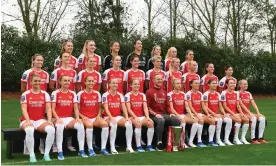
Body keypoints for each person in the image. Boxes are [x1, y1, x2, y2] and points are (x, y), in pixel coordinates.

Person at [20, 74, 55, 162]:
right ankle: (32, 155)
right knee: (29, 130)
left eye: (39, 81)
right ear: (30, 82)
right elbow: (24, 109)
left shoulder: (45, 94)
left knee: (51, 129)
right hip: (27, 120)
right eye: (35, 81)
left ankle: (46, 154)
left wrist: (50, 120)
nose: (37, 82)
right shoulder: (25, 94)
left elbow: (48, 108)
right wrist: (28, 121)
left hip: (40, 120)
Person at [51, 75, 88, 160]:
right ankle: (60, 152)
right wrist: (57, 118)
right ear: (60, 82)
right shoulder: (55, 93)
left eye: (68, 81)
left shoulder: (72, 93)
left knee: (80, 125)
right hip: (58, 118)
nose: (67, 82)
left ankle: (81, 150)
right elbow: (52, 108)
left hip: (68, 118)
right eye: (65, 80)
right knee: (60, 127)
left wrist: (78, 117)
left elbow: (75, 107)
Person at [21, 54, 50, 155]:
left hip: (42, 101)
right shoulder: (27, 73)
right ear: (33, 61)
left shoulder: (46, 74)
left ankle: (42, 147)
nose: (40, 62)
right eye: (38, 60)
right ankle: (27, 147)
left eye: (41, 61)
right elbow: (23, 88)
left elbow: (45, 88)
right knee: (28, 123)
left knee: (44, 122)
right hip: (30, 101)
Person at [77, 76, 110, 156]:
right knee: (89, 125)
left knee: (105, 124)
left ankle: (103, 148)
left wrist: (99, 115)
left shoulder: (97, 93)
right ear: (85, 82)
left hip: (95, 117)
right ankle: (90, 149)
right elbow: (76, 109)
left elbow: (100, 107)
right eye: (89, 81)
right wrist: (82, 116)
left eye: (92, 81)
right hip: (85, 117)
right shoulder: (80, 94)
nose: (91, 83)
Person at [146, 74, 180, 151]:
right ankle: (159, 143)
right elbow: (147, 107)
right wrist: (155, 114)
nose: (160, 81)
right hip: (153, 115)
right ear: (153, 80)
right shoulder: (149, 92)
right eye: (158, 79)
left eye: (161, 79)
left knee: (176, 119)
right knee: (161, 120)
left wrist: (170, 112)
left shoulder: (164, 92)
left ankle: (175, 143)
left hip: (163, 114)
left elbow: (167, 106)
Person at [102, 78, 134, 154]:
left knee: (129, 123)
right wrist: (111, 118)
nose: (115, 85)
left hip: (118, 116)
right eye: (113, 83)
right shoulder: (105, 95)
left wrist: (126, 117)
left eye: (116, 83)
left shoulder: (120, 95)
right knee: (114, 124)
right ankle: (112, 147)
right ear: (109, 84)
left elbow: (123, 107)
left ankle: (129, 147)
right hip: (107, 117)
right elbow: (106, 109)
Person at [125, 79, 156, 152]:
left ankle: (149, 145)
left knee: (151, 123)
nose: (137, 86)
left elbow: (145, 107)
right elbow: (128, 109)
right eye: (135, 84)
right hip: (132, 117)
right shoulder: (128, 95)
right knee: (138, 124)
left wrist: (147, 117)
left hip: (142, 116)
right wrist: (135, 117)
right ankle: (138, 146)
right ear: (131, 85)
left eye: (138, 84)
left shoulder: (142, 95)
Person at [167, 78, 198, 150]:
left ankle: (190, 142)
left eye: (180, 83)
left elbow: (187, 106)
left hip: (183, 114)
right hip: (176, 114)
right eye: (177, 83)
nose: (179, 85)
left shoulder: (183, 94)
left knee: (196, 120)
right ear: (173, 85)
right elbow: (171, 108)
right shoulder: (170, 94)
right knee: (182, 120)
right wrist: (178, 116)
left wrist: (190, 115)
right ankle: (182, 142)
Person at [186, 79, 216, 147]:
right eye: (195, 83)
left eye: (198, 83)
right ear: (191, 85)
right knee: (201, 120)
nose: (197, 85)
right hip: (191, 113)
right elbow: (190, 106)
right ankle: (198, 141)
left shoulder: (200, 93)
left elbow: (203, 106)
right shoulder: (188, 94)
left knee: (212, 120)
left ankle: (211, 141)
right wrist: (197, 115)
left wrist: (208, 114)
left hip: (199, 113)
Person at [202, 79, 232, 146]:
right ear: (209, 85)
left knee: (229, 120)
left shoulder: (218, 94)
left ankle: (225, 139)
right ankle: (214, 140)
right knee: (219, 120)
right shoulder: (206, 94)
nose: (215, 85)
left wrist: (224, 114)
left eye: (215, 83)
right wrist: (214, 114)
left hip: (216, 114)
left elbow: (221, 106)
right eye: (213, 83)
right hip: (209, 114)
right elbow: (206, 107)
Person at [237, 80, 268, 144]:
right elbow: (241, 105)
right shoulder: (237, 93)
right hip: (240, 113)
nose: (246, 85)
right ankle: (253, 138)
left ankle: (260, 138)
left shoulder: (248, 93)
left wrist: (258, 113)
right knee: (253, 118)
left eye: (247, 84)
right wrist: (250, 113)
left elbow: (253, 103)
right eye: (244, 84)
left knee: (262, 118)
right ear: (240, 85)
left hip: (248, 112)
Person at [221, 79, 250, 145]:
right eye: (231, 83)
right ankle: (231, 139)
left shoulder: (236, 93)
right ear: (227, 85)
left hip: (235, 113)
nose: (233, 84)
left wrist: (242, 113)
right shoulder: (224, 93)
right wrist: (233, 114)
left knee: (246, 119)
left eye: (234, 83)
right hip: (227, 113)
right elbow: (225, 106)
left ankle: (242, 138)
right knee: (238, 120)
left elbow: (238, 105)